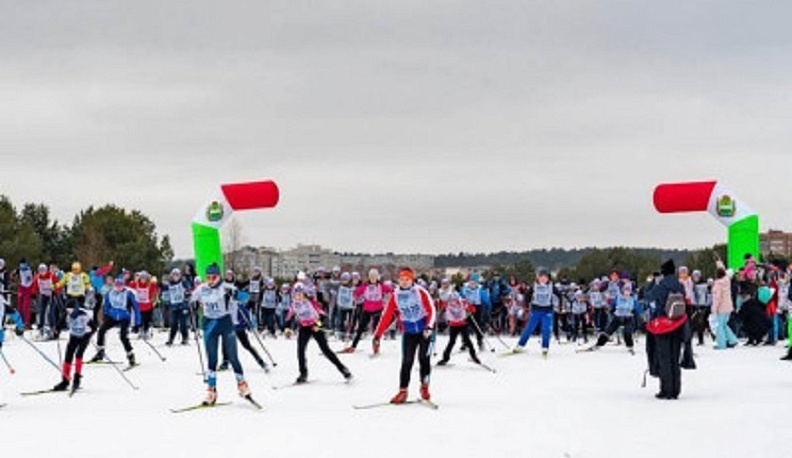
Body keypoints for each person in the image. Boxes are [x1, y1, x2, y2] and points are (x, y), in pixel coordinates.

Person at [373, 267, 436, 404]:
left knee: (423, 359)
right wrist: (378, 334)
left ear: (411, 280)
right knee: (407, 361)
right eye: (401, 279)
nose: (404, 282)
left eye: (407, 279)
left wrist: (429, 327)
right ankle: (403, 391)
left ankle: (424, 387)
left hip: (425, 330)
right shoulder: (396, 295)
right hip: (409, 332)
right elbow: (387, 315)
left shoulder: (420, 291)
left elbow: (431, 309)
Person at [193, 264, 252, 405]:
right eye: (208, 277)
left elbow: (245, 297)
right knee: (212, 359)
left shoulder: (226, 287)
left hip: (225, 324)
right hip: (209, 324)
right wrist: (191, 302)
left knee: (232, 357)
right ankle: (211, 390)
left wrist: (236, 294)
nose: (211, 280)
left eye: (213, 277)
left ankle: (242, 385)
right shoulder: (202, 289)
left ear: (219, 276)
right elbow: (191, 300)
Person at [286, 283, 352, 384]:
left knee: (325, 350)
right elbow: (289, 318)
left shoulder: (311, 302)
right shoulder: (294, 304)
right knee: (300, 351)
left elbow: (323, 316)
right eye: (296, 294)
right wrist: (288, 329)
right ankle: (303, 374)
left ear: (304, 294)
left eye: (300, 294)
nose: (298, 296)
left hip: (315, 326)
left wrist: (318, 325)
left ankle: (343, 369)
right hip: (304, 328)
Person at [645, 259, 688, 400]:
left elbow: (648, 296)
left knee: (664, 358)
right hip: (678, 323)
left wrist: (651, 282)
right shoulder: (679, 285)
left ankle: (666, 390)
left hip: (663, 325)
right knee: (675, 358)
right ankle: (675, 389)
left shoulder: (661, 285)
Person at [89, 277, 141, 368]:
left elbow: (136, 308)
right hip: (112, 317)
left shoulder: (128, 294)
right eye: (117, 285)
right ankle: (100, 352)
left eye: (120, 286)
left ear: (123, 286)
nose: (118, 287)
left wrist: (137, 323)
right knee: (101, 331)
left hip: (124, 317)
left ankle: (130, 355)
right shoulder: (110, 293)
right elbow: (106, 306)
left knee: (123, 336)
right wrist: (106, 315)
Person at [339, 269, 392, 354]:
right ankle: (353, 346)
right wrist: (355, 296)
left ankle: (376, 346)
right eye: (371, 277)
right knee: (360, 328)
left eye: (374, 277)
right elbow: (357, 292)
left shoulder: (381, 286)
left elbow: (390, 290)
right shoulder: (365, 286)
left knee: (376, 329)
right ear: (369, 277)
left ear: (377, 277)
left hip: (378, 310)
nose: (373, 278)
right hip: (367, 310)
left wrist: (391, 295)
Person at [510, 268, 560, 358]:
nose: (543, 279)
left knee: (546, 330)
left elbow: (559, 295)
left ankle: (545, 347)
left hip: (547, 311)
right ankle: (520, 345)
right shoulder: (534, 286)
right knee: (529, 329)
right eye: (541, 277)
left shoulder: (552, 287)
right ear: (538, 278)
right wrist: (526, 305)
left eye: (545, 278)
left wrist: (560, 306)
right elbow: (527, 295)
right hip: (536, 310)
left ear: (548, 278)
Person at [53, 296, 94, 392]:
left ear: (76, 309)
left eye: (71, 310)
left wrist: (89, 335)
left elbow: (94, 327)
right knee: (68, 356)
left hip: (84, 337)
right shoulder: (66, 314)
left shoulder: (83, 315)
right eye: (67, 310)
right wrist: (56, 330)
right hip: (73, 336)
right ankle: (65, 380)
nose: (69, 312)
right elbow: (59, 324)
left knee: (79, 355)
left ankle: (77, 378)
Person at [591, 284, 638, 354]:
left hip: (628, 318)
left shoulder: (633, 299)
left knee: (627, 332)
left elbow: (638, 309)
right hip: (618, 317)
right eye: (625, 290)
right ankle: (599, 344)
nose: (627, 292)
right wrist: (611, 310)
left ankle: (630, 346)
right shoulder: (618, 297)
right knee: (608, 331)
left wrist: (635, 312)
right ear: (623, 291)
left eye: (628, 290)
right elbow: (612, 305)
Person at [437, 292, 480, 366]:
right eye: (452, 301)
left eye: (455, 301)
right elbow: (440, 306)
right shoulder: (447, 303)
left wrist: (469, 309)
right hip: (453, 325)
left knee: (467, 340)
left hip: (462, 324)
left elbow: (473, 309)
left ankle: (473, 356)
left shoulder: (463, 302)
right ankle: (445, 358)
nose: (454, 303)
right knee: (451, 342)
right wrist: (438, 302)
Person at [711, 264, 739, 350]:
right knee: (724, 324)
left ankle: (721, 344)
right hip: (728, 307)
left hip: (721, 308)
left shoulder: (718, 284)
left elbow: (717, 298)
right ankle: (732, 340)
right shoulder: (727, 281)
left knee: (719, 326)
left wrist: (714, 309)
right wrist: (719, 263)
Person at [461, 274, 491, 350]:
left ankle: (480, 341)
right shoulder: (465, 289)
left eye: (474, 282)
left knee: (477, 326)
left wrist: (487, 313)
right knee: (465, 327)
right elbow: (460, 298)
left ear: (477, 283)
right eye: (471, 282)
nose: (472, 284)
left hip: (478, 309)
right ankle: (465, 342)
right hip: (467, 309)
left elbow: (487, 302)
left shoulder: (481, 290)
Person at [163, 268, 192, 346]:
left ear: (180, 276)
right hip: (174, 306)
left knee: (183, 324)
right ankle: (171, 339)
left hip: (183, 306)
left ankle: (185, 338)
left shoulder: (183, 282)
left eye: (177, 275)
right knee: (174, 324)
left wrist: (187, 293)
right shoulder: (170, 284)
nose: (176, 277)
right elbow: (165, 293)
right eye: (174, 275)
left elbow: (189, 289)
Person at [129, 271, 158, 340]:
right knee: (140, 320)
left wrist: (153, 299)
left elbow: (155, 289)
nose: (143, 279)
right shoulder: (136, 284)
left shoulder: (150, 285)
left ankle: (146, 331)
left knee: (147, 320)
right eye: (141, 278)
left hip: (148, 306)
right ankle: (141, 331)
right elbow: (130, 287)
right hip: (139, 306)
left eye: (144, 278)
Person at [32, 264, 58, 340]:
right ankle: (41, 328)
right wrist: (33, 293)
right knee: (42, 311)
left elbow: (58, 284)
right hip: (44, 295)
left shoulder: (51, 276)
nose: (42, 272)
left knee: (50, 311)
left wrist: (56, 291)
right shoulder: (37, 277)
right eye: (40, 270)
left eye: (43, 270)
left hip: (51, 295)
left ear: (46, 270)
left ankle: (53, 329)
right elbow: (35, 286)